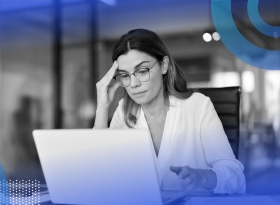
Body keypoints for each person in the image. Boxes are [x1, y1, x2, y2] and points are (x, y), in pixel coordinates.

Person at [94, 29, 245, 195]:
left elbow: (236, 179)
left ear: (164, 65)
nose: (133, 84)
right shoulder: (124, 111)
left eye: (142, 71)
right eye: (124, 75)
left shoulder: (198, 106)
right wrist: (102, 107)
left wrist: (202, 176)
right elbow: (100, 175)